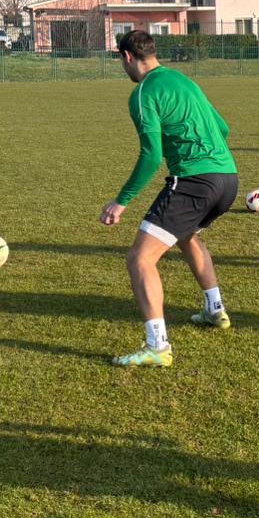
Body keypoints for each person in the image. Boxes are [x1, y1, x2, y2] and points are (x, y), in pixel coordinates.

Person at [99, 29, 239, 367]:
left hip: (194, 182)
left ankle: (157, 347)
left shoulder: (144, 92)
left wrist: (121, 201)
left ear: (127, 56)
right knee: (185, 236)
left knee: (140, 259)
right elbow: (222, 128)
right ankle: (215, 309)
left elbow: (151, 156)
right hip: (228, 178)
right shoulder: (183, 81)